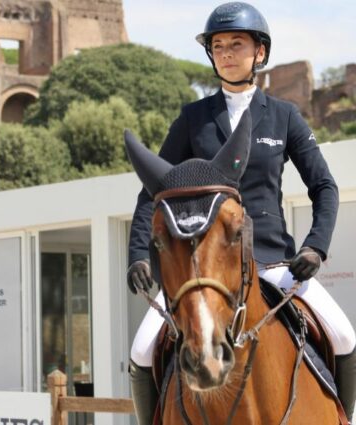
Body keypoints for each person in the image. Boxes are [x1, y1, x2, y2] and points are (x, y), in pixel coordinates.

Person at [125, 3, 354, 423]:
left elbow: (324, 186)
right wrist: (139, 253)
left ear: (259, 53)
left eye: (236, 44)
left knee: (343, 335)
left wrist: (315, 248)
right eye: (218, 46)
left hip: (274, 263)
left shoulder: (284, 116)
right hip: (207, 266)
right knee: (142, 349)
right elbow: (150, 195)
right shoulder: (193, 119)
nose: (226, 53)